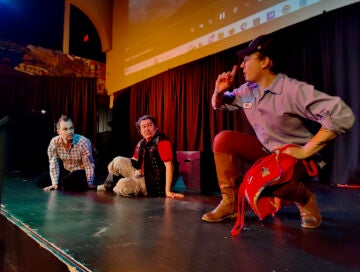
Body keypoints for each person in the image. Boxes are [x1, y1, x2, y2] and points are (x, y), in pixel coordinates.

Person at [202, 34, 355, 228]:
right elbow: (219, 104)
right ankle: (230, 203)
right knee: (223, 140)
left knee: (272, 179)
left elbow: (342, 114)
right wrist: (219, 91)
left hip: (301, 157)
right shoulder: (247, 91)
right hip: (271, 152)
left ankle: (305, 199)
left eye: (247, 60)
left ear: (265, 62)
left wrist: (305, 150)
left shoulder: (291, 89)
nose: (242, 66)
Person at [97, 115, 184, 199]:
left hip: (154, 183)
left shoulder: (162, 143)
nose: (147, 129)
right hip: (141, 174)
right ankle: (108, 186)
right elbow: (134, 160)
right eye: (143, 127)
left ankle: (125, 184)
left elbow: (169, 166)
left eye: (150, 125)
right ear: (141, 131)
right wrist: (112, 165)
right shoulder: (141, 143)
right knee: (117, 160)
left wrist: (167, 191)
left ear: (156, 127)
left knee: (122, 185)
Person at [39, 115, 96, 191]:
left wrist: (89, 183)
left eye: (71, 128)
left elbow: (89, 165)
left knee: (67, 181)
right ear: (59, 132)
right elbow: (53, 163)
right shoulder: (54, 142)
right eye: (65, 129)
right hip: (67, 170)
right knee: (41, 180)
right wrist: (54, 184)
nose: (69, 132)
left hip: (81, 172)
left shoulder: (83, 142)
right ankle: (61, 184)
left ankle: (67, 184)